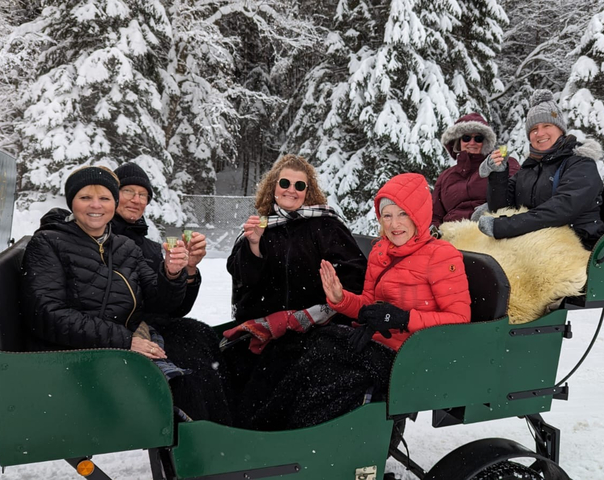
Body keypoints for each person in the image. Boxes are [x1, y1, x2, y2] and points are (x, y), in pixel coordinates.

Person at [20, 166, 230, 423]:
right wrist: (125, 340)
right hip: (76, 354)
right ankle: (201, 446)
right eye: (85, 197)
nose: (95, 206)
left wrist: (173, 274)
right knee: (184, 381)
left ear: (113, 203)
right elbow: (48, 314)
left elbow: (159, 301)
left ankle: (220, 433)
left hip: (118, 342)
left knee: (199, 357)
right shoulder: (48, 243)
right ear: (71, 202)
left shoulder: (124, 246)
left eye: (105, 198)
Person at [266, 172, 470, 429]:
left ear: (418, 214)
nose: (395, 224)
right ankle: (278, 425)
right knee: (309, 345)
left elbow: (460, 321)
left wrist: (404, 318)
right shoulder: (381, 251)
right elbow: (370, 307)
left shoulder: (441, 256)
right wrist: (341, 299)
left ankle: (312, 440)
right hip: (374, 342)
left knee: (329, 368)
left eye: (403, 213)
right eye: (387, 215)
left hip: (411, 355)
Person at [222, 154, 367, 429]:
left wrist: (332, 294)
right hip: (266, 324)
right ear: (273, 187)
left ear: (307, 191)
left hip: (312, 325)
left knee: (274, 373)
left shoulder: (325, 224)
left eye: (300, 186)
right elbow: (243, 278)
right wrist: (254, 246)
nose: (291, 190)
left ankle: (266, 438)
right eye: (285, 182)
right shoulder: (262, 226)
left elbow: (355, 271)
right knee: (231, 364)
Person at [474, 90, 604, 250]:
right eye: (534, 129)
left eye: (547, 125)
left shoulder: (580, 164)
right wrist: (498, 174)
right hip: (538, 242)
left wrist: (505, 226)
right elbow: (501, 207)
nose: (540, 133)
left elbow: (561, 210)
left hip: (581, 246)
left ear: (560, 129)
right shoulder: (530, 167)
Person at [111, 162, 205, 318]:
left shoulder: (151, 250)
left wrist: (188, 269)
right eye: (128, 191)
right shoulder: (97, 238)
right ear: (111, 195)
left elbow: (174, 310)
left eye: (142, 195)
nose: (136, 200)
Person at [432, 113, 520, 231]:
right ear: (458, 141)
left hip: (489, 232)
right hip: (451, 235)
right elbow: (435, 215)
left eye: (478, 139)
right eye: (466, 138)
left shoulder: (502, 163)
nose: (472, 143)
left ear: (485, 142)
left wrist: (491, 207)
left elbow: (516, 194)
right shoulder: (446, 177)